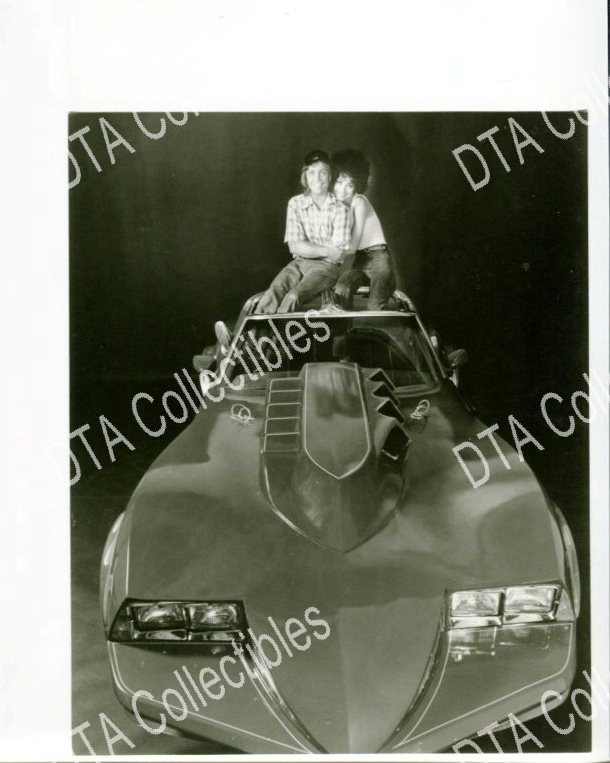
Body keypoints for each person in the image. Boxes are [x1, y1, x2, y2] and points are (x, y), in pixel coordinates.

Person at [255, 150, 351, 314]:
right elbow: (295, 246)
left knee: (293, 296)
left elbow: (337, 254)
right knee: (273, 293)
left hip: (326, 268)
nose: (317, 178)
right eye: (311, 172)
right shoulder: (296, 203)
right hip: (298, 263)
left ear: (330, 177)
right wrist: (325, 250)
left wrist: (308, 248)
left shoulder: (341, 209)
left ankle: (276, 331)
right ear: (305, 176)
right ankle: (249, 330)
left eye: (323, 172)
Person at [331, 149, 396, 310]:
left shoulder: (359, 202)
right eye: (339, 182)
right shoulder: (341, 208)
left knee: (374, 309)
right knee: (341, 289)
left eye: (350, 184)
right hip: (360, 262)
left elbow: (352, 246)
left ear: (357, 186)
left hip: (378, 260)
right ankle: (344, 328)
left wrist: (324, 254)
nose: (343, 189)